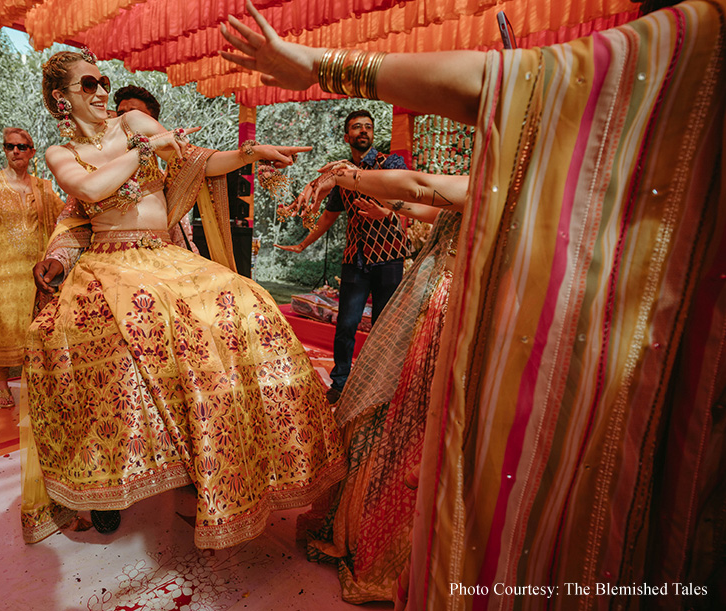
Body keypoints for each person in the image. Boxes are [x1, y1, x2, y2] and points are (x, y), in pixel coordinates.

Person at [222, 1, 726, 609]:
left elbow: (430, 183)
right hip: (420, 276)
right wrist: (354, 206)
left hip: (445, 293)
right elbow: (424, 203)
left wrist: (319, 79)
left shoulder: (682, 58)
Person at [20, 49, 346, 549]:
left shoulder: (132, 122)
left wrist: (250, 153)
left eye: (104, 81)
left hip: (163, 255)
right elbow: (89, 190)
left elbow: (197, 160)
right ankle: (109, 483)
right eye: (88, 85)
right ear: (61, 99)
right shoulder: (60, 154)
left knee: (247, 303)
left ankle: (226, 456)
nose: (102, 91)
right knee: (118, 338)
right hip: (110, 262)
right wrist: (147, 150)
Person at [291, 165, 466, 603]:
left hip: (447, 309)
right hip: (423, 292)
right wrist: (386, 204)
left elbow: (421, 187)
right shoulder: (486, 186)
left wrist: (342, 176)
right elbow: (426, 205)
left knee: (412, 418)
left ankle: (389, 539)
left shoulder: (502, 179)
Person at [275, 110, 409, 404]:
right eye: (357, 127)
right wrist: (302, 244)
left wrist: (386, 210)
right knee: (346, 324)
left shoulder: (390, 163)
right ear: (348, 137)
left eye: (368, 127)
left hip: (389, 256)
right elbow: (328, 217)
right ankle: (340, 383)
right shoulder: (339, 177)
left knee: (383, 326)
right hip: (355, 258)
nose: (363, 131)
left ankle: (377, 386)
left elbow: (404, 196)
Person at [0, 129, 64, 408]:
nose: (16, 151)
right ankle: (1, 383)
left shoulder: (44, 187)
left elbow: (64, 216)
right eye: (10, 146)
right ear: (5, 150)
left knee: (37, 326)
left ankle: (37, 381)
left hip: (36, 270)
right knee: (2, 324)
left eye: (22, 146)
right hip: (3, 269)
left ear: (32, 151)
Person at [111, 85, 197, 253]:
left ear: (152, 123)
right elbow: (73, 221)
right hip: (108, 256)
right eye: (121, 114)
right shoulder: (100, 167)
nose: (126, 121)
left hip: (161, 258)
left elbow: (181, 237)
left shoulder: (165, 180)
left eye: (135, 115)